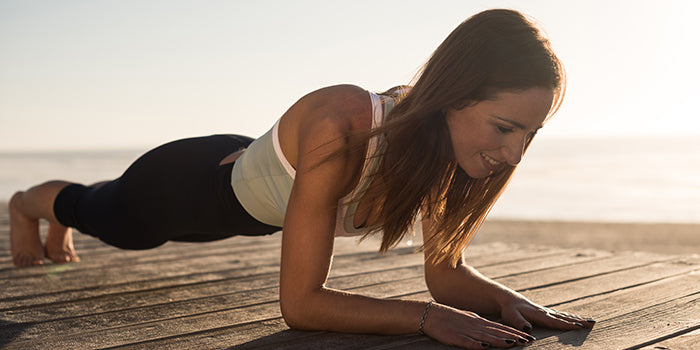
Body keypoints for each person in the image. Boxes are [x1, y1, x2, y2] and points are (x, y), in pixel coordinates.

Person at [9, 9, 594, 349]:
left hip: (248, 195)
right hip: (185, 186)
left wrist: (507, 301)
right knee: (105, 216)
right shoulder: (342, 123)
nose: (514, 154)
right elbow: (302, 305)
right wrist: (425, 318)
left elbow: (445, 275)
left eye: (530, 135)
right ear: (453, 96)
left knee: (104, 215)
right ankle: (29, 205)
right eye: (504, 127)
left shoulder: (454, 160)